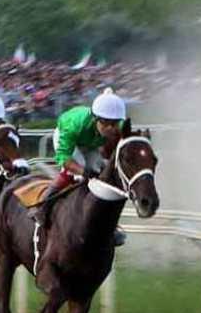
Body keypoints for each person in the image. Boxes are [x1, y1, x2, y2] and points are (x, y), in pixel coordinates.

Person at [29, 88, 127, 245]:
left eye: (115, 124)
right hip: (67, 139)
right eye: (106, 123)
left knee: (100, 171)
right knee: (79, 172)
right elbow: (64, 159)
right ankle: (43, 206)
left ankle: (109, 225)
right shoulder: (74, 124)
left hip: (89, 142)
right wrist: (83, 171)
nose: (110, 128)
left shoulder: (119, 126)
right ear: (96, 119)